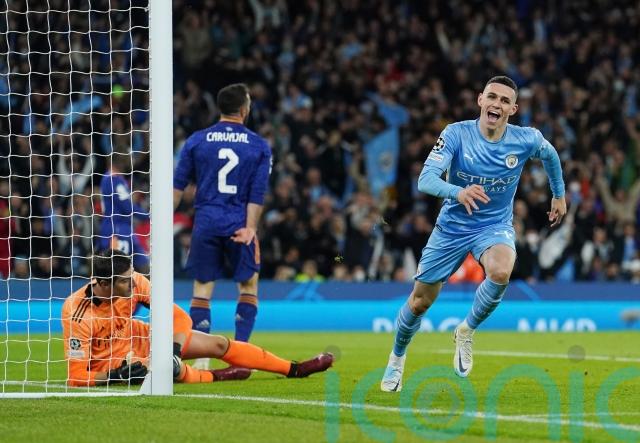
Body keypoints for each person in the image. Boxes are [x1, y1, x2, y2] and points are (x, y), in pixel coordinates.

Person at [380, 76, 566, 391]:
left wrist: (558, 194)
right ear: (480, 100)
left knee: (501, 271)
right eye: (492, 97)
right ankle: (396, 358)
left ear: (513, 109)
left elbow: (550, 156)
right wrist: (458, 192)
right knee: (419, 302)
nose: (497, 104)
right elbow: (425, 180)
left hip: (493, 225)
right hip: (452, 227)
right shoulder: (456, 134)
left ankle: (466, 330)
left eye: (505, 101)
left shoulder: (526, 139)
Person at [61, 250, 333, 387]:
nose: (133, 283)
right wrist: (113, 376)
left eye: (132, 276)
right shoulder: (77, 312)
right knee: (168, 372)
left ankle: (294, 369)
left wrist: (173, 351)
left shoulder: (135, 282)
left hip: (142, 338)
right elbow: (75, 376)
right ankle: (216, 376)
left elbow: (178, 316)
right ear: (104, 284)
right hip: (114, 363)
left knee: (218, 344)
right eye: (124, 281)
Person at [173, 83, 272, 369]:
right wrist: (250, 227)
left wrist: (163, 221)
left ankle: (201, 358)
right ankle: (241, 356)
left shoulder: (197, 140)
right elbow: (257, 194)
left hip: (206, 222)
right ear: (244, 109)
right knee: (248, 285)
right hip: (239, 222)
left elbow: (177, 187)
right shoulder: (258, 145)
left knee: (202, 287)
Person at [98, 151, 150, 273]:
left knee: (143, 267)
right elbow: (127, 207)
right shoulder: (113, 180)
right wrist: (148, 216)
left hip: (123, 229)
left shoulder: (112, 179)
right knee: (119, 272)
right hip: (116, 231)